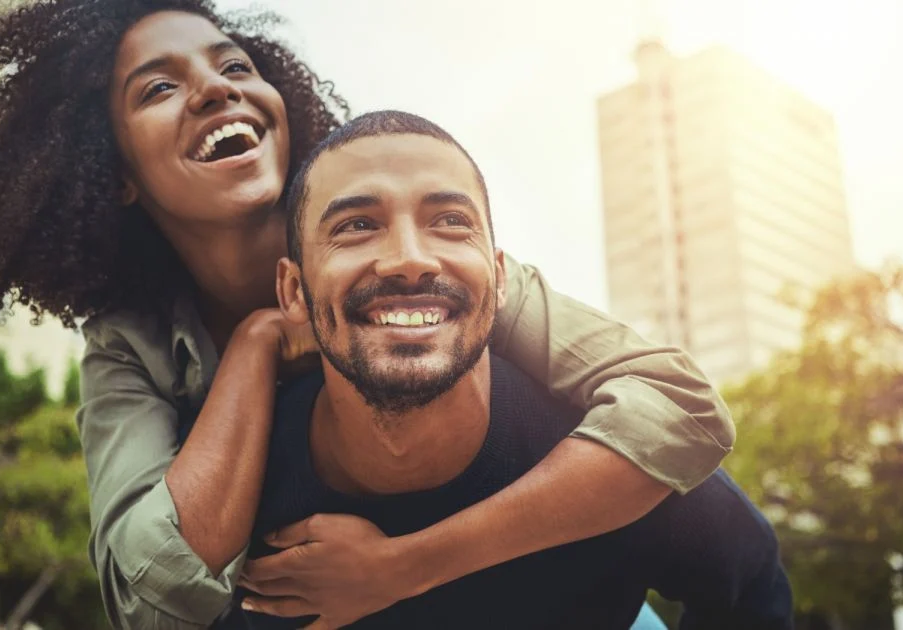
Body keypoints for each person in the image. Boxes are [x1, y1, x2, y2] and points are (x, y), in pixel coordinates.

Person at [0, 2, 735, 628]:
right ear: (112, 171)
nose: (213, 88)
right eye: (159, 87)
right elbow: (153, 592)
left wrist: (403, 567)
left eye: (233, 64)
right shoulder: (129, 349)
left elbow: (679, 410)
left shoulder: (414, 258)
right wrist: (258, 341)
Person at [231, 110, 792, 630]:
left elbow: (752, 585)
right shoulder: (246, 496)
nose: (409, 259)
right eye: (356, 225)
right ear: (293, 290)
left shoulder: (616, 462)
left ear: (501, 278)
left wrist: (402, 566)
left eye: (450, 221)